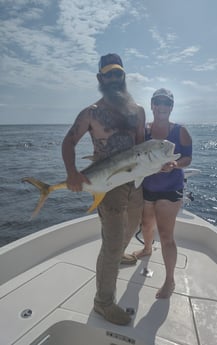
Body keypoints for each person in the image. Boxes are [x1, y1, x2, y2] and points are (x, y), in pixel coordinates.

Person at [62, 53, 145, 325]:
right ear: (100, 78)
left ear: (124, 76)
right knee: (110, 244)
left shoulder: (137, 111)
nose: (113, 78)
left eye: (117, 73)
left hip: (134, 182)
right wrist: (72, 173)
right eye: (108, 74)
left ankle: (121, 253)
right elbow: (68, 142)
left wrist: (160, 166)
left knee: (132, 225)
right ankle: (103, 303)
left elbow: (142, 148)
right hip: (108, 187)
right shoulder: (91, 113)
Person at [133, 88, 192, 299]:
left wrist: (175, 164)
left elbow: (188, 158)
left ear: (171, 107)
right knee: (146, 225)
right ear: (152, 106)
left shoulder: (180, 130)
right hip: (147, 187)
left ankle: (170, 280)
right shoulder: (145, 131)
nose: (162, 107)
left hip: (170, 189)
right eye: (158, 102)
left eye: (166, 103)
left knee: (166, 235)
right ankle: (147, 249)